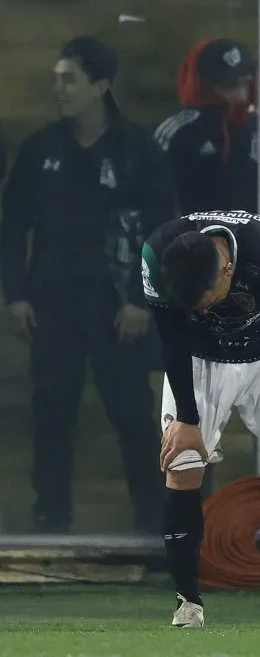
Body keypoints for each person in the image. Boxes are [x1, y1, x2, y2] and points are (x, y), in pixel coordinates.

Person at [0, 35, 170, 534]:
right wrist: (17, 296)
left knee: (133, 416)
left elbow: (163, 230)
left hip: (117, 307)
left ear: (100, 86)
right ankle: (50, 517)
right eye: (55, 79)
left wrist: (142, 299)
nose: (59, 88)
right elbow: (12, 229)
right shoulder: (41, 150)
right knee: (52, 415)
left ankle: (152, 519)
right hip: (53, 303)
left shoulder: (137, 150)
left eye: (69, 79)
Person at [143, 210, 260, 629]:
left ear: (227, 269)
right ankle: (187, 603)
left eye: (205, 295)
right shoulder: (156, 252)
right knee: (180, 463)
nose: (200, 307)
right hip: (198, 358)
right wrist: (187, 419)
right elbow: (171, 334)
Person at [155, 39, 258, 215]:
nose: (241, 94)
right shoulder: (183, 131)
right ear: (209, 84)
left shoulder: (256, 125)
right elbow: (161, 196)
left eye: (246, 83)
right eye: (230, 86)